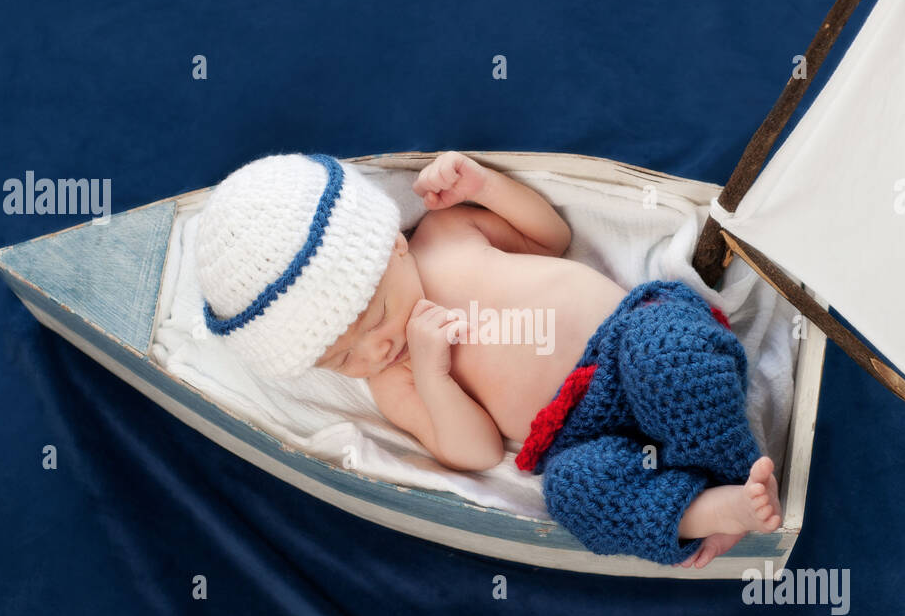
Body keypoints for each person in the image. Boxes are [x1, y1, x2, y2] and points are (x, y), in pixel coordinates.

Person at [195, 151, 782, 568]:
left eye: (375, 319)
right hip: (579, 434)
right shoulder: (395, 379)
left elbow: (549, 237)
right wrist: (432, 374)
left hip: (626, 336)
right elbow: (473, 451)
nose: (372, 350)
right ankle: (716, 509)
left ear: (392, 245)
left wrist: (486, 187)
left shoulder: (444, 234)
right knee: (575, 493)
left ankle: (733, 462)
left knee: (670, 358)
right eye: (341, 358)